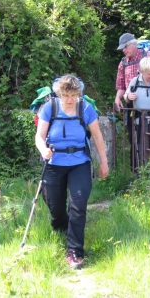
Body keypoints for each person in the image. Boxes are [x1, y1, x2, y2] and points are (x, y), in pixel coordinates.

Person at [35, 74, 109, 269]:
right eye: (66, 95)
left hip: (79, 162)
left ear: (78, 94)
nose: (70, 100)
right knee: (55, 207)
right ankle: (62, 228)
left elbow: (97, 136)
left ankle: (74, 251)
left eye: (74, 95)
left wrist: (104, 162)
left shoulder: (85, 108)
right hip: (54, 162)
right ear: (59, 93)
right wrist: (43, 150)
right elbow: (39, 137)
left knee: (78, 203)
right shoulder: (49, 108)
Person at [114, 33, 150, 171]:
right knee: (132, 135)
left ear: (133, 44)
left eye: (125, 47)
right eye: (122, 48)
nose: (123, 50)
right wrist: (117, 99)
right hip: (130, 103)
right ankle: (135, 169)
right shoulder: (123, 62)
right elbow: (121, 85)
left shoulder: (147, 57)